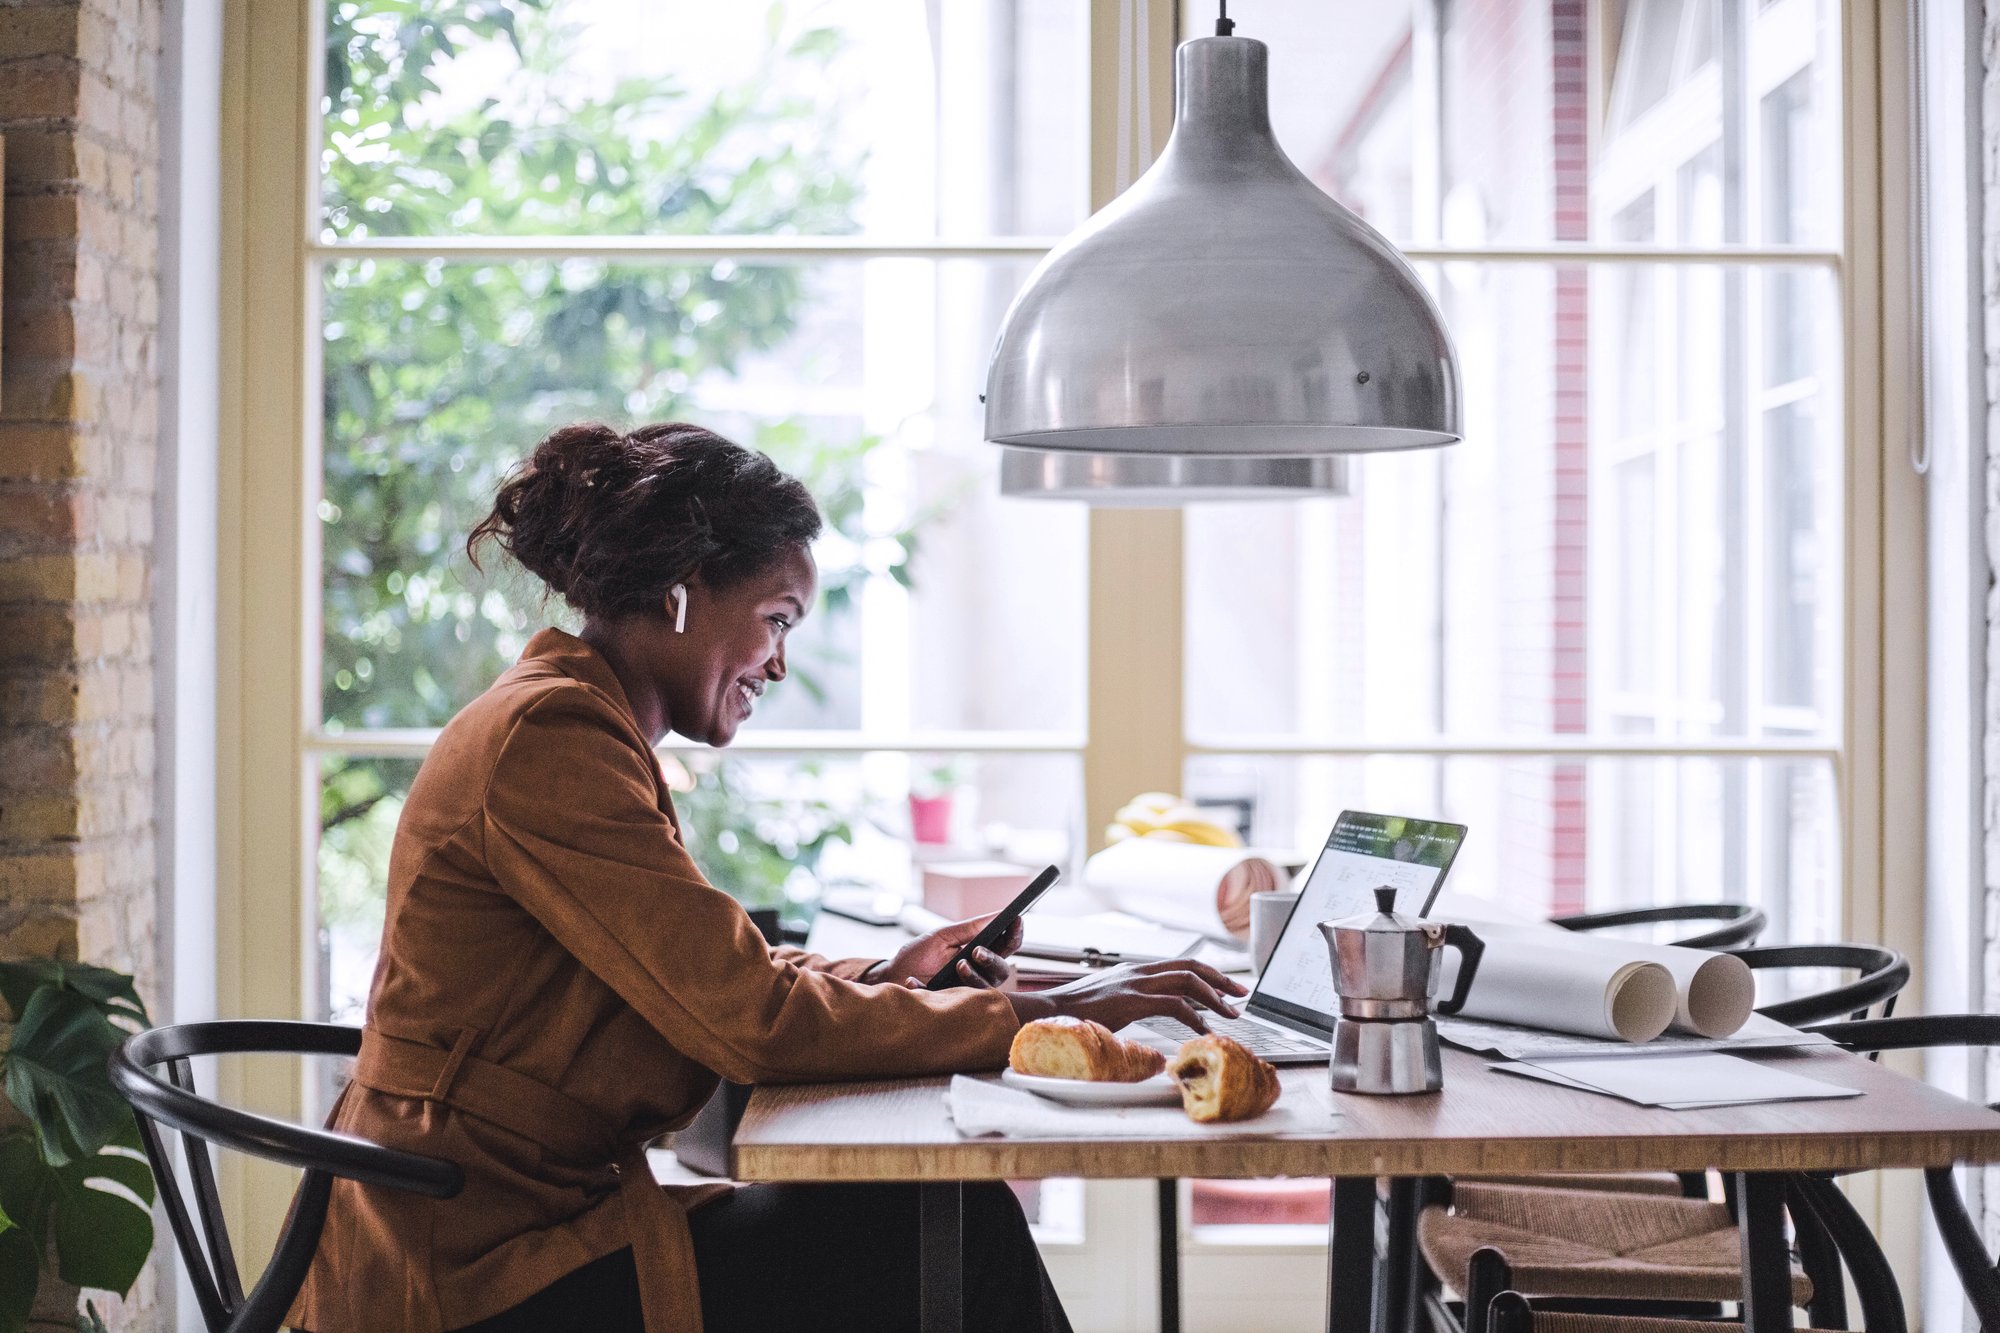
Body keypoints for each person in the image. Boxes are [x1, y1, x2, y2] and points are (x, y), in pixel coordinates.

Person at [289, 421, 1247, 1333]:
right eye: (775, 618)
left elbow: (707, 968)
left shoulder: (575, 721)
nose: (780, 664)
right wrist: (1049, 1017)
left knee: (935, 1217)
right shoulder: (553, 740)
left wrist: (889, 974)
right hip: (465, 1277)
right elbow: (746, 1018)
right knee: (943, 1221)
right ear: (681, 590)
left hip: (511, 1233)